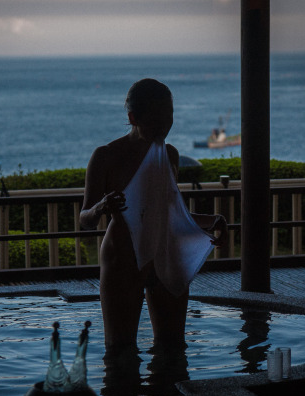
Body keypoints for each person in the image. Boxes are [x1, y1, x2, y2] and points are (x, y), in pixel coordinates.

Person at [80, 78, 227, 349]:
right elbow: (85, 220)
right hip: (123, 261)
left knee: (172, 349)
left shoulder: (170, 155)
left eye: (168, 117)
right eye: (155, 119)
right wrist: (101, 207)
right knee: (120, 352)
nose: (163, 126)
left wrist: (214, 221)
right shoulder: (106, 156)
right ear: (133, 117)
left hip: (166, 258)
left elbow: (170, 212)